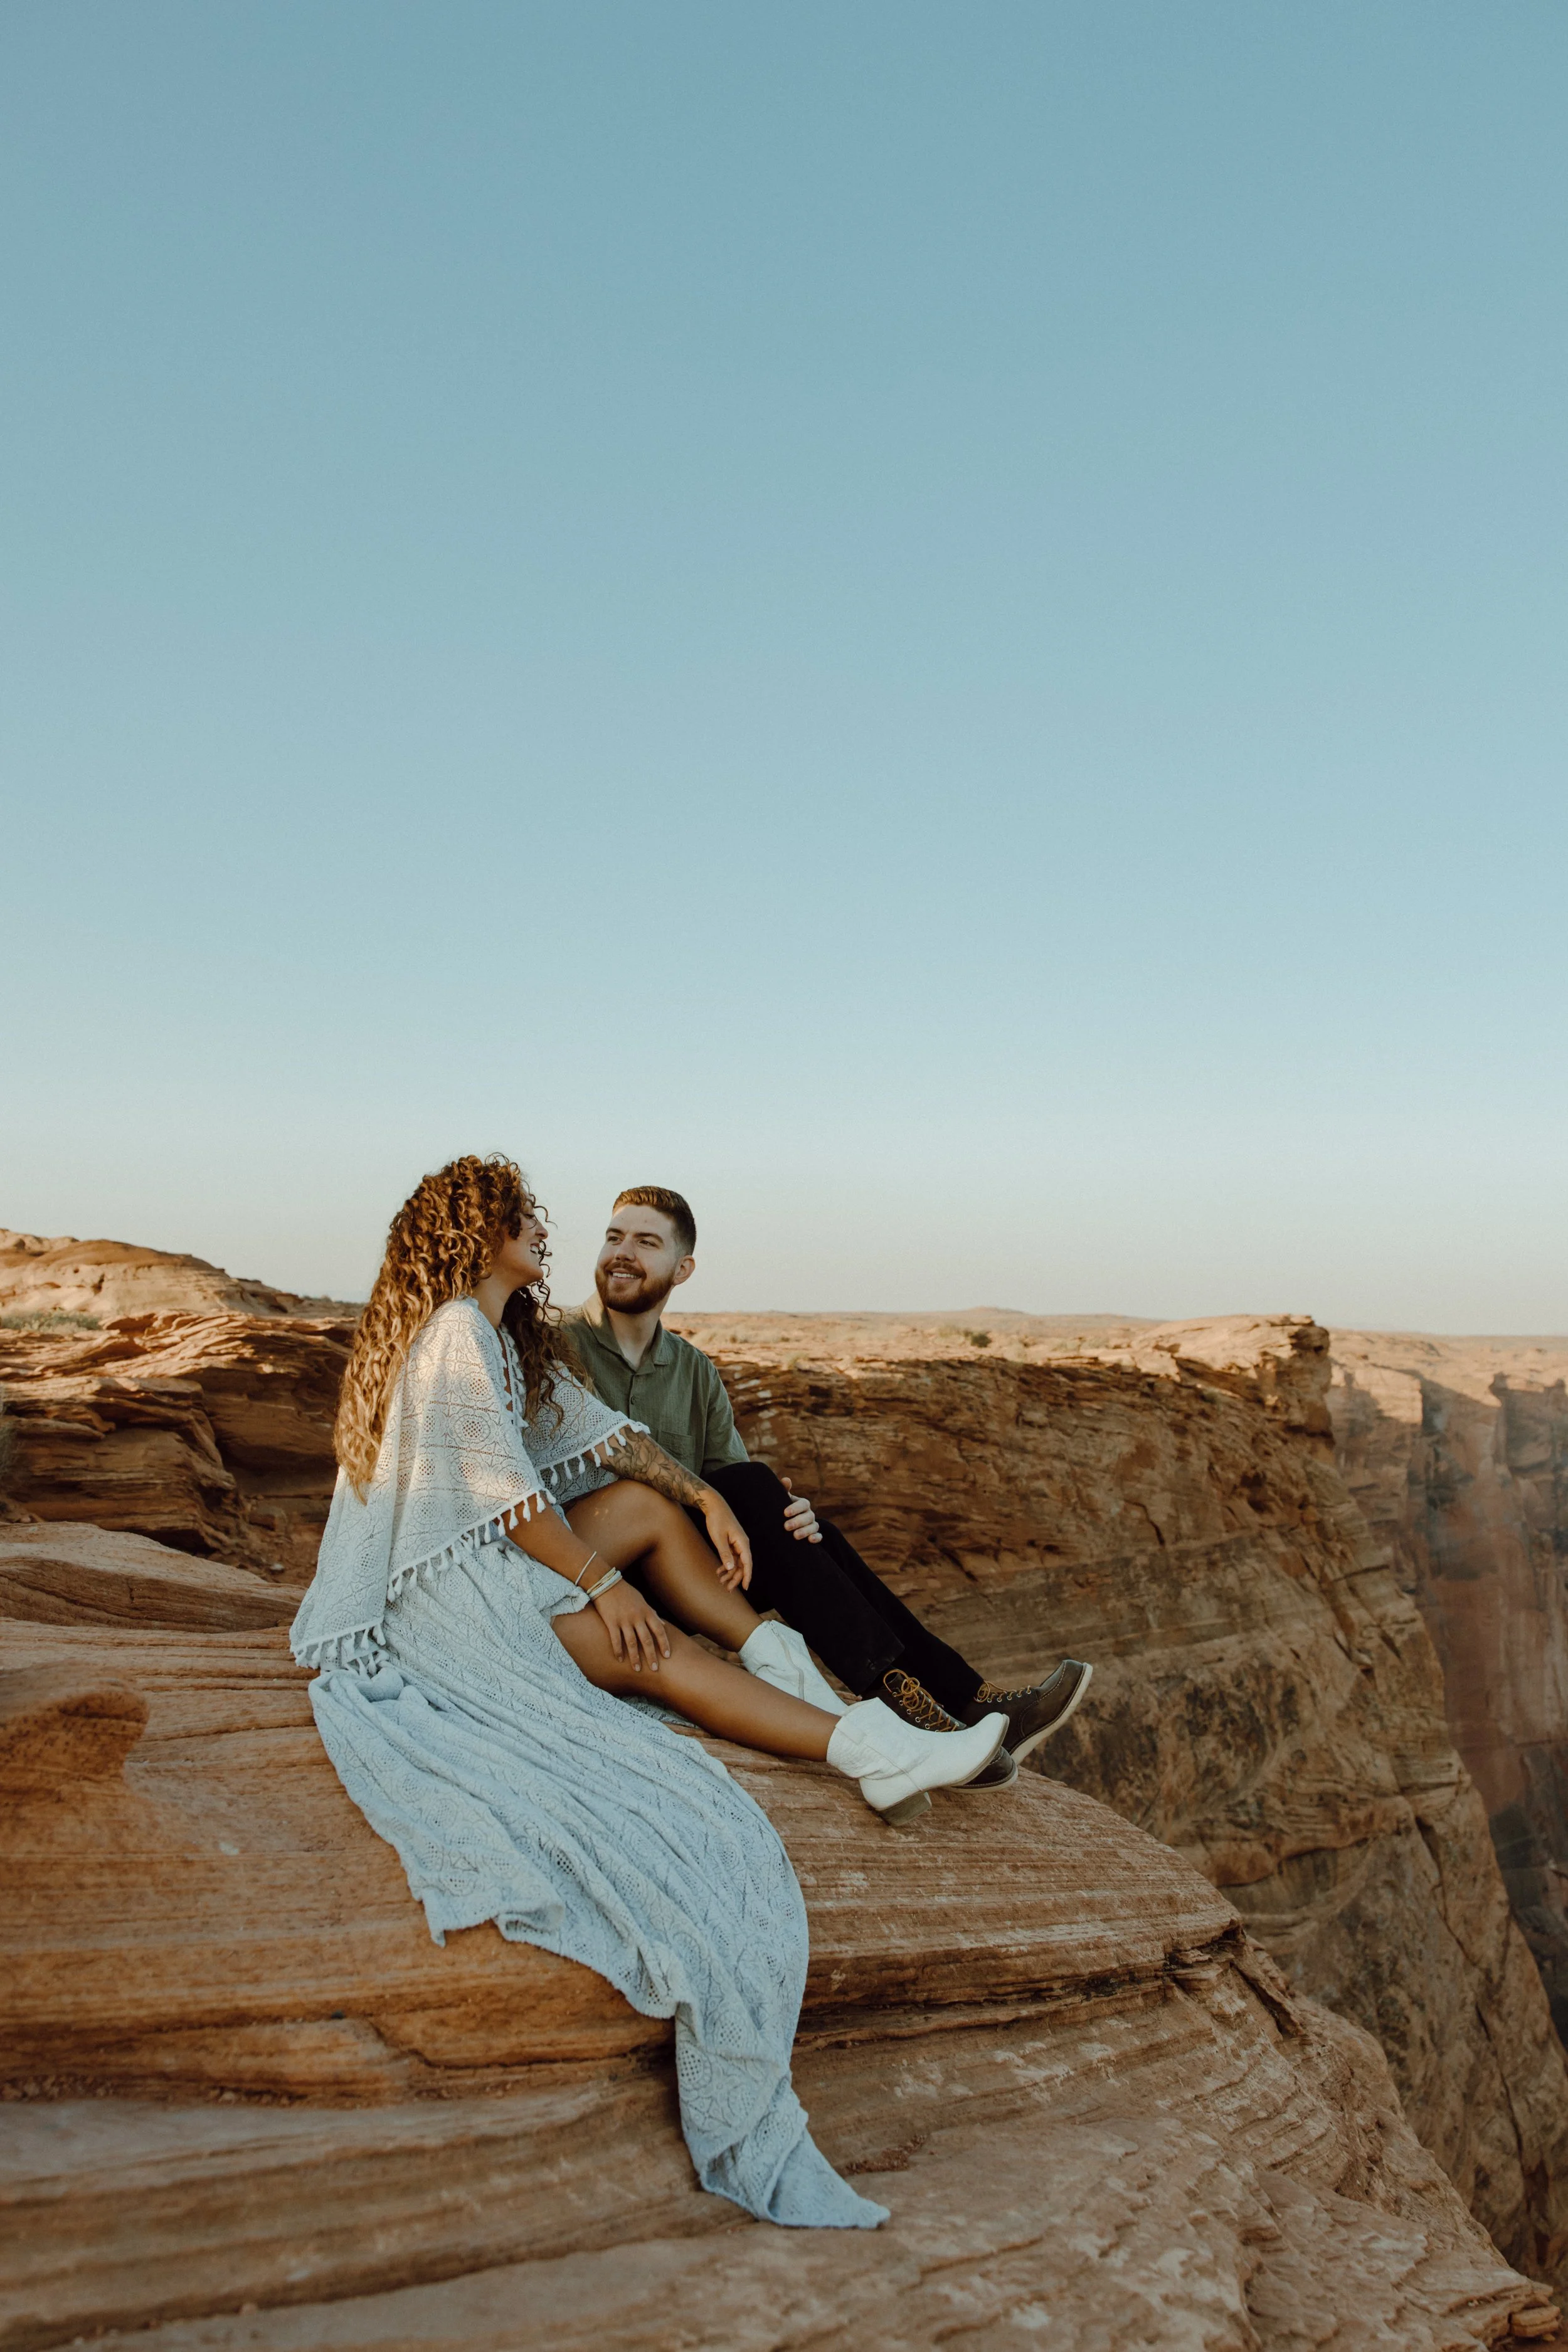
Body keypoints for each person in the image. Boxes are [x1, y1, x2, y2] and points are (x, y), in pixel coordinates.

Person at [290, 1155, 1007, 2230]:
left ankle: (816, 1685)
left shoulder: (502, 1335)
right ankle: (870, 1746)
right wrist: (596, 1583)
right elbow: (499, 1491)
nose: (546, 1229)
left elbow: (608, 1442)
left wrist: (708, 1506)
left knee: (649, 1507)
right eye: (521, 1216)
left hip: (490, 1559)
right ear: (475, 1231)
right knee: (657, 1657)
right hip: (445, 1600)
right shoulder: (453, 1335)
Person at [562, 1187, 1093, 1781]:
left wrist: (790, 1514)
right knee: (764, 1498)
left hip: (685, 1577)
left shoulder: (693, 1370)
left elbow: (734, 1487)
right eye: (614, 1238)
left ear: (683, 1269)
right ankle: (928, 1703)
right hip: (586, 1573)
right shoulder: (557, 1346)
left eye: (645, 1242)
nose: (622, 1254)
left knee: (793, 1518)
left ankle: (959, 1701)